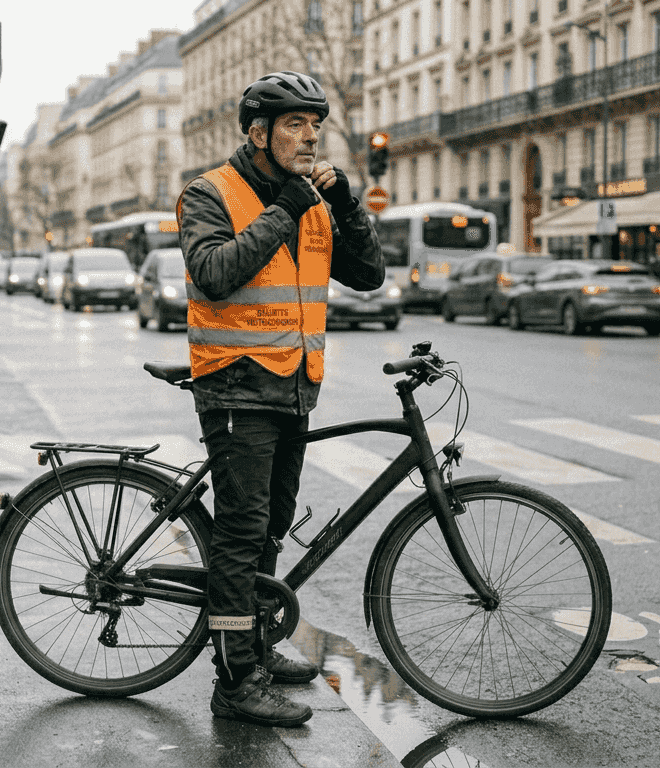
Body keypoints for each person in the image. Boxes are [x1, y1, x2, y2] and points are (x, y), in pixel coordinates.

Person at [177, 71, 384, 728]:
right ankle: (235, 681)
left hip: (293, 388)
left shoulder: (314, 199)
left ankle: (257, 645)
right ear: (259, 132)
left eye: (314, 125)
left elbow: (370, 277)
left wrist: (347, 205)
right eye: (296, 124)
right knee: (240, 535)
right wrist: (284, 210)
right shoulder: (211, 193)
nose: (311, 137)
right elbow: (213, 275)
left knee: (270, 525)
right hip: (236, 388)